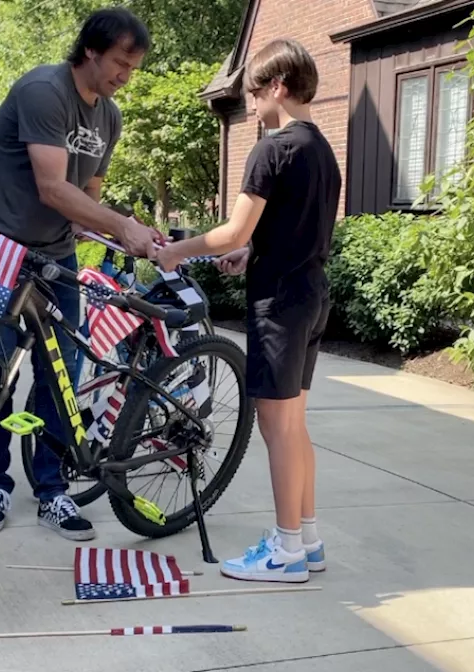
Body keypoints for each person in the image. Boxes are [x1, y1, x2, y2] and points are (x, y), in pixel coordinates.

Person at [0, 7, 164, 541]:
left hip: (55, 256)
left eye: (134, 66)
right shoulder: (43, 91)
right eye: (121, 62)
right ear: (92, 50)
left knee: (62, 371)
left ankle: (50, 490)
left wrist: (97, 224)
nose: (126, 74)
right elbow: (54, 187)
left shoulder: (110, 117)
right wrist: (122, 225)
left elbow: (88, 191)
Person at [155, 38, 341, 582]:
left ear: (278, 87)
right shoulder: (321, 149)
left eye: (255, 94)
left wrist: (175, 251)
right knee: (295, 424)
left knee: (275, 427)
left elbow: (233, 228)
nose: (253, 105)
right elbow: (287, 230)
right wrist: (250, 252)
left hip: (278, 303)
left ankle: (285, 553)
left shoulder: (273, 147)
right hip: (310, 292)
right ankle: (307, 539)